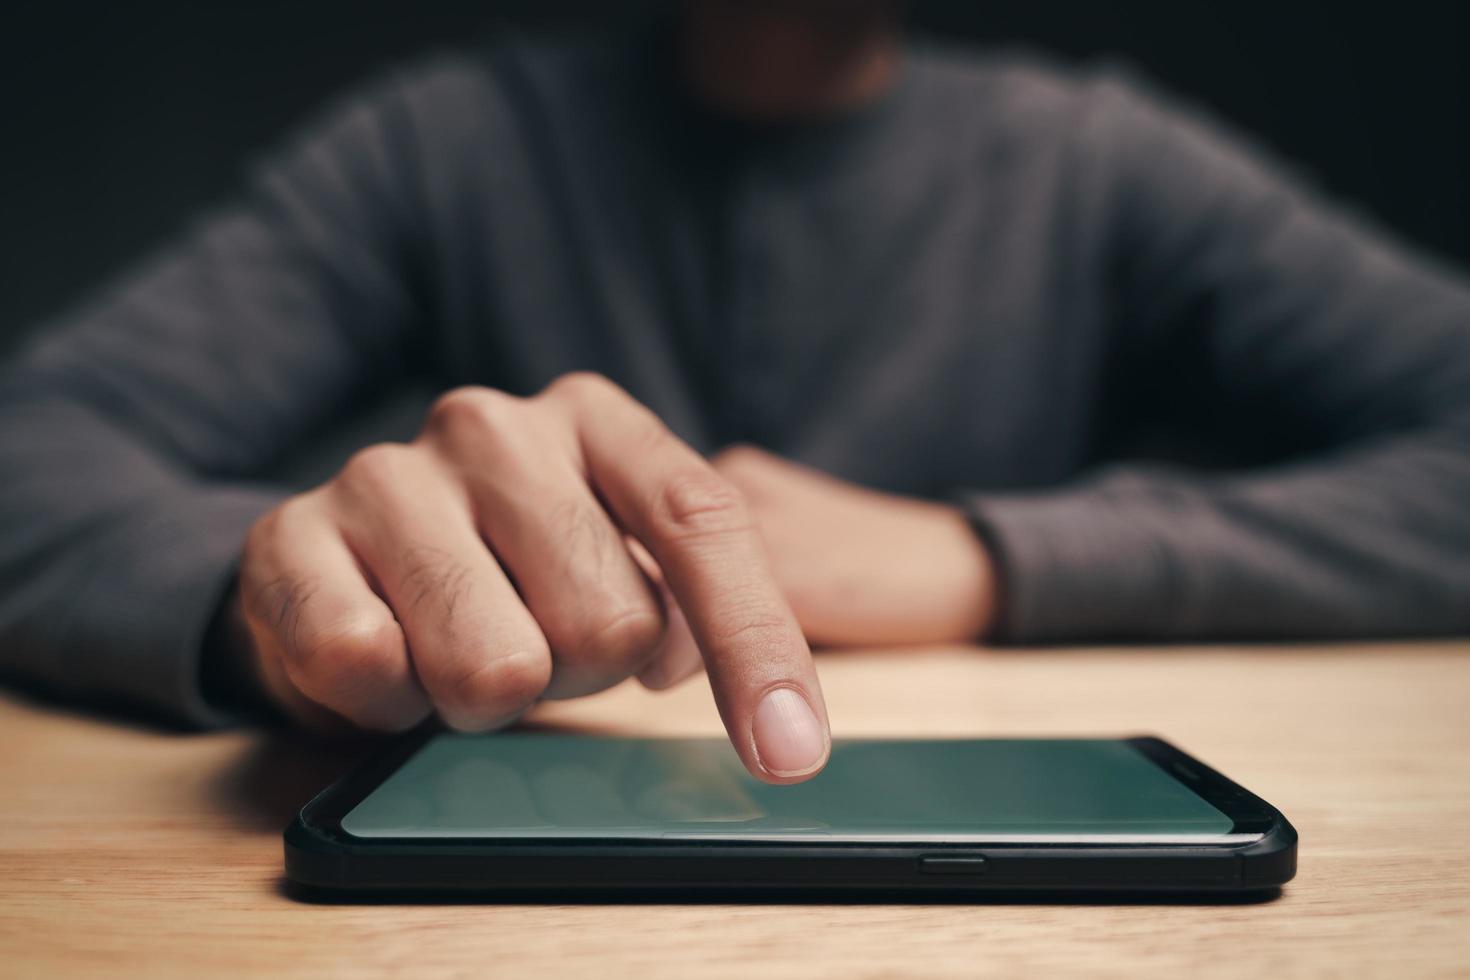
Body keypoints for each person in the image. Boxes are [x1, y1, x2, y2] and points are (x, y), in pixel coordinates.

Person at [1, 1, 1467, 784]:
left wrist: (985, 559)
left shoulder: (1095, 159)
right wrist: (272, 613)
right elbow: (33, 454)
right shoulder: (439, 148)